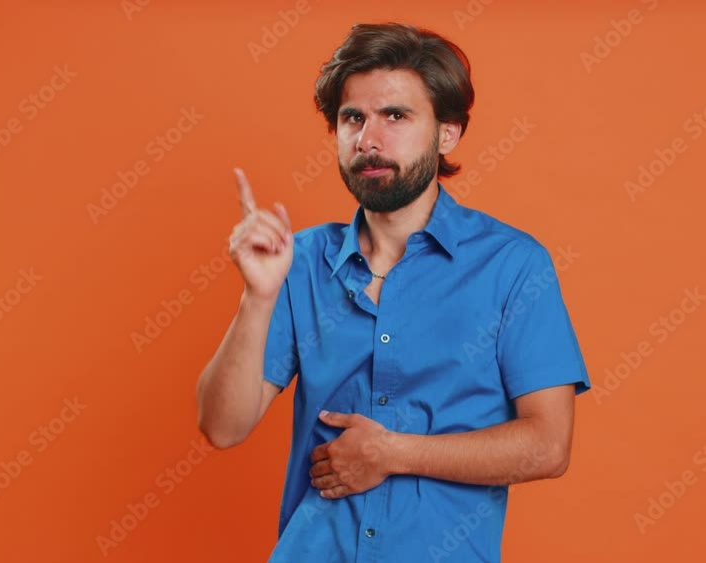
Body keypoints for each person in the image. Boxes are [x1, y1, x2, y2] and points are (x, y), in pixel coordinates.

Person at [196, 22, 591, 563]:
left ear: (446, 132)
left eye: (396, 116)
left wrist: (390, 453)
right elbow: (221, 427)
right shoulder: (300, 262)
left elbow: (549, 446)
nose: (368, 139)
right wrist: (257, 297)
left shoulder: (512, 266)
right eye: (352, 118)